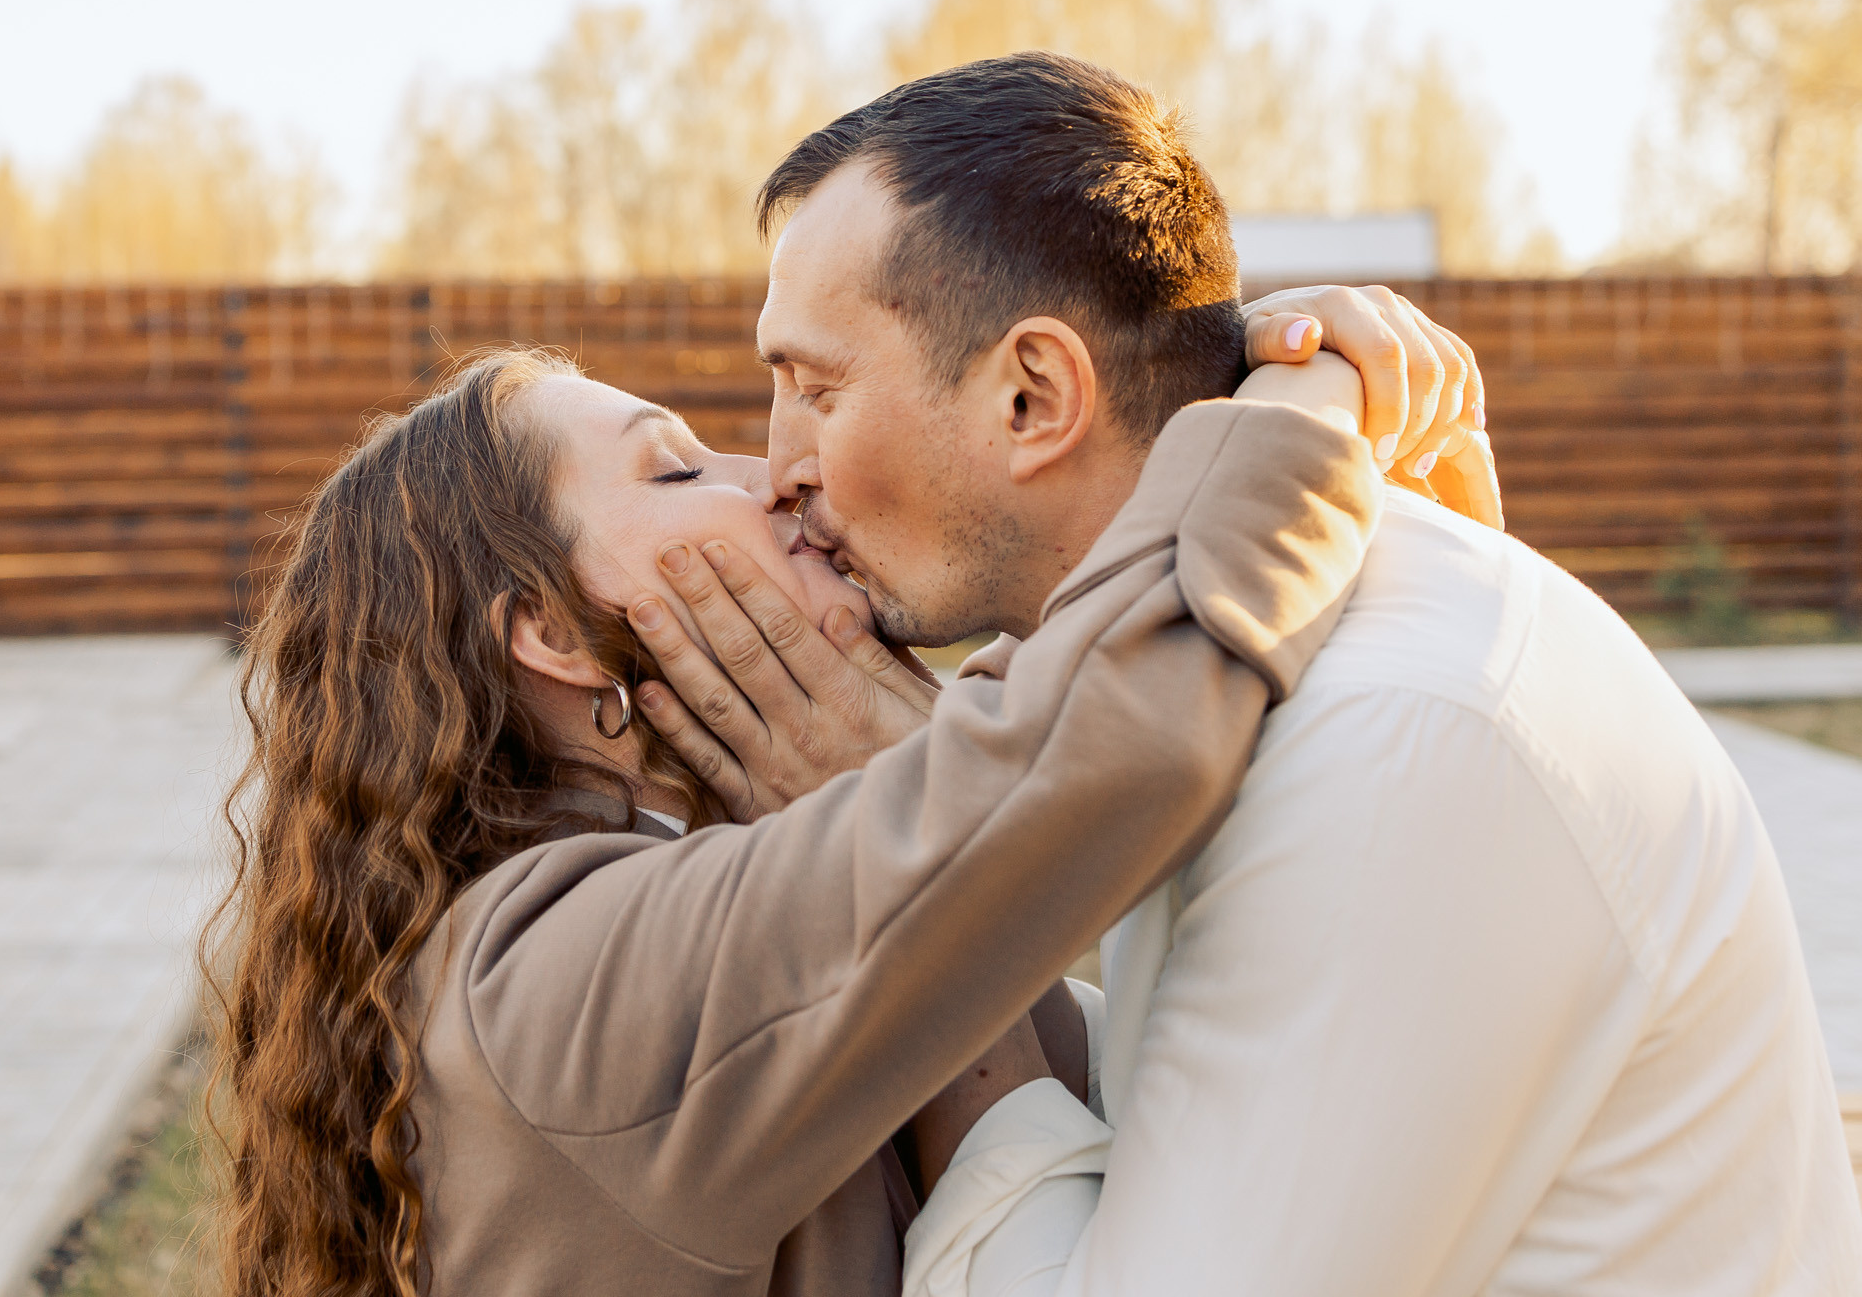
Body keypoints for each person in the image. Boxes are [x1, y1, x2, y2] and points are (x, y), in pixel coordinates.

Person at [624, 51, 1862, 1295]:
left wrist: (911, 919)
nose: (774, 463)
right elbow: (1198, 1083)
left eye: (814, 388)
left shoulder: (1388, 738)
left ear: (1031, 395)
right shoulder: (1219, 659)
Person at [205, 227, 1483, 1297]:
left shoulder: (612, 908)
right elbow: (1109, 745)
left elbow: (1083, 1019)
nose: (767, 479)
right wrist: (1291, 407)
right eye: (675, 465)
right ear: (550, 631)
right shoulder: (565, 974)